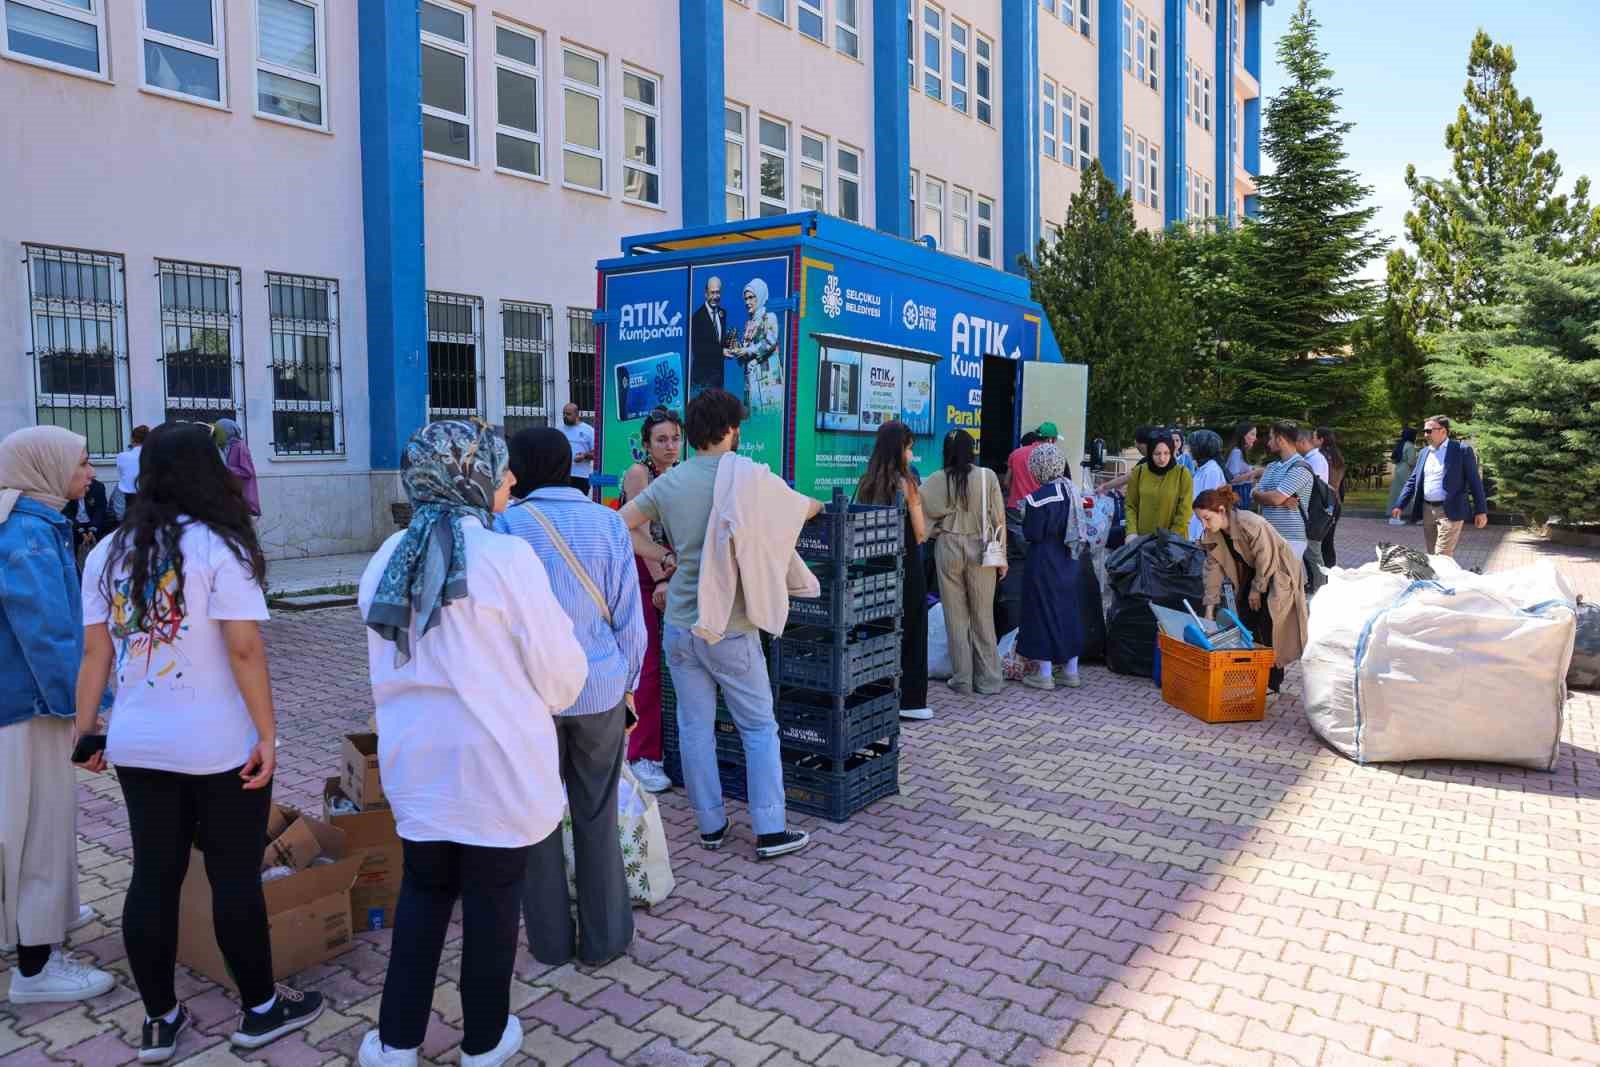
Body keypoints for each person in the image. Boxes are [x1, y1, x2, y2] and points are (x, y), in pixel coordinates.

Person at [76, 422, 322, 1061]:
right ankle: (261, 1010)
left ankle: (159, 1019)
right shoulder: (220, 548)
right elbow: (244, 649)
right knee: (232, 877)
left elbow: (95, 653)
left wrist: (88, 733)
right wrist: (268, 734)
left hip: (137, 743)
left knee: (152, 877)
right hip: (219, 746)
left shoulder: (106, 552)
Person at [357, 421, 587, 1067]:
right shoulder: (507, 559)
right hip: (498, 771)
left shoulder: (384, 559)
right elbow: (562, 675)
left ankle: (396, 1042)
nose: (510, 478)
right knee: (491, 906)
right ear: (471, 475)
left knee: (422, 897)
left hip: (418, 769)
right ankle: (484, 1043)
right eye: (501, 468)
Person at [620, 388, 818, 861]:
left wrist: (663, 555)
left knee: (693, 728)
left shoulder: (671, 481)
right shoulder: (750, 477)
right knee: (757, 727)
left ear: (690, 433)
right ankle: (770, 828)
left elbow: (621, 524)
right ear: (732, 429)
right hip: (729, 623)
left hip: (680, 626)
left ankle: (710, 825)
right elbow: (805, 508)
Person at [496, 427, 644, 969]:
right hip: (600, 689)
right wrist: (627, 685)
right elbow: (629, 616)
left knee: (536, 820)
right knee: (596, 814)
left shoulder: (505, 526)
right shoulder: (607, 521)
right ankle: (605, 940)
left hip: (532, 696)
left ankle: (550, 942)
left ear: (519, 468)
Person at [0, 427, 114, 1006]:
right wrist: (83, 714)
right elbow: (47, 635)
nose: (91, 474)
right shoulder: (28, 534)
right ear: (45, 468)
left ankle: (40, 921)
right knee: (40, 828)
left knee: (18, 827)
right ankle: (36, 968)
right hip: (32, 708)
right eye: (83, 462)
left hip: (16, 704)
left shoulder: (27, 522)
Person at [1193, 486, 1308, 699]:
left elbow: (1267, 558)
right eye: (1200, 520)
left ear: (1220, 511)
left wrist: (1257, 589)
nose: (1204, 525)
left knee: (1270, 624)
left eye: (1207, 519)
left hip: (1278, 571)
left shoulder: (1250, 522)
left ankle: (1272, 682)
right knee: (1245, 622)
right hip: (1253, 572)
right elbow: (1212, 570)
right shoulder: (1212, 533)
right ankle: (1250, 674)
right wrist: (1209, 607)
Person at [619, 409, 683, 793]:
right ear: (647, 444)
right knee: (649, 666)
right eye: (661, 439)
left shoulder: (681, 472)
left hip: (675, 570)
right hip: (648, 575)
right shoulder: (639, 473)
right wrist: (661, 579)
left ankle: (667, 749)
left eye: (675, 438)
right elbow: (637, 532)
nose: (670, 446)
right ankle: (642, 756)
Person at [854, 421, 932, 721]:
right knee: (911, 629)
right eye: (909, 447)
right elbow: (921, 532)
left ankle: (877, 693)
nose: (911, 453)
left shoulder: (867, 482)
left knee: (879, 629)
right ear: (900, 448)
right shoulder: (907, 482)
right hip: (906, 565)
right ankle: (910, 700)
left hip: (875, 565)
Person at [921, 430, 1007, 697]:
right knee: (983, 615)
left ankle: (962, 679)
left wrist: (939, 531)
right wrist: (1002, 556)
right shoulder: (987, 476)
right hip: (982, 547)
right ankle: (989, 680)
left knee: (955, 616)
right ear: (972, 450)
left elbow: (921, 518)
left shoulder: (936, 480)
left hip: (948, 547)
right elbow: (999, 519)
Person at [1016, 443, 1086, 692]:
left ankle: (1044, 674)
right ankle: (1071, 671)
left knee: (1041, 611)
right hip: (1070, 559)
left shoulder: (1037, 498)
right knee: (1069, 610)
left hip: (1044, 559)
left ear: (1038, 467)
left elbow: (1032, 533)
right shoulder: (1073, 491)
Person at [1391, 415, 1489, 558]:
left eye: (1429, 431)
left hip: (1450, 510)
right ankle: (1442, 580)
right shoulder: (1424, 452)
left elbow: (1475, 481)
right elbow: (1413, 480)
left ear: (1443, 431)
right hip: (1427, 510)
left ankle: (1443, 579)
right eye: (1424, 431)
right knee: (1432, 554)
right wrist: (1400, 504)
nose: (1426, 435)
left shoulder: (1461, 450)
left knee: (1442, 555)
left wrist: (1481, 510)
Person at [1247, 421, 1316, 562]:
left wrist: (1271, 497)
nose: (1268, 443)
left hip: (1291, 538)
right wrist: (1278, 499)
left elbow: (1275, 498)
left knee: (1285, 582)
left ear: (1280, 440)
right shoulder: (1272, 466)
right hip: (1267, 535)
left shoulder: (1300, 468)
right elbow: (1253, 493)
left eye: (1271, 438)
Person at [1124, 436, 1194, 538]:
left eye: (1166, 453)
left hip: (1173, 542)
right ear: (1150, 453)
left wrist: (1170, 537)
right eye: (1157, 454)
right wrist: (1131, 532)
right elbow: (1130, 505)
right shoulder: (1139, 472)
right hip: (1142, 539)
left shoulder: (1182, 474)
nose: (1162, 458)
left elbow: (1185, 510)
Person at [728, 279, 782, 411]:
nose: (747, 302)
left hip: (767, 380)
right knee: (754, 418)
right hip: (750, 381)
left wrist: (748, 351)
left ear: (761, 295)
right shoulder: (749, 323)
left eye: (751, 297)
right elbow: (746, 353)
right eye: (745, 299)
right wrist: (737, 351)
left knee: (769, 416)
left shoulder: (769, 317)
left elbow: (770, 342)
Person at [61, 473, 116, 569]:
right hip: (74, 524)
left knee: (104, 534)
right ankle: (72, 568)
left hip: (93, 522)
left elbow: (100, 511)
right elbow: (67, 513)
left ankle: (101, 568)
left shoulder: (98, 487)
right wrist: (81, 531)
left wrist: (92, 529)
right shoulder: (67, 487)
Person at [689, 276, 731, 395]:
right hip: (702, 381)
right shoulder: (697, 318)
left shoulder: (723, 314)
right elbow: (698, 350)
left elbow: (718, 343)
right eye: (712, 292)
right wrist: (721, 352)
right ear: (706, 294)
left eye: (718, 292)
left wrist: (730, 346)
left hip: (718, 379)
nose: (715, 296)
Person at [213, 418, 260, 518]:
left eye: (219, 430)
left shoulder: (240, 446)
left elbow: (247, 471)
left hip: (240, 497)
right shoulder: (222, 446)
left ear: (227, 430)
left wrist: (226, 468)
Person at [1186, 430, 1227, 542]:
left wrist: (1200, 536)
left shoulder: (1211, 471)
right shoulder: (1203, 469)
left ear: (1202, 448)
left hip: (1202, 534)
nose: (1190, 449)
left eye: (1193, 446)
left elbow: (1207, 506)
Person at [1313, 427, 1346, 568]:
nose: (1311, 440)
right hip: (1335, 502)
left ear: (1321, 440)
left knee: (1317, 543)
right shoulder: (1338, 457)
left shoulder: (1319, 457)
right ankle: (1330, 573)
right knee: (1328, 541)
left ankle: (1321, 577)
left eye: (1314, 437)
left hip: (1323, 503)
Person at [1006, 424, 1056, 508]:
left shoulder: (1015, 454)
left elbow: (1006, 482)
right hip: (1037, 507)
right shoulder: (1049, 456)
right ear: (1050, 440)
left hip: (1015, 507)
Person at [560, 403, 597, 495]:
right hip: (562, 476)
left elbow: (597, 453)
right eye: (564, 414)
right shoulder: (559, 430)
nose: (565, 416)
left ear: (577, 415)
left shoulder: (588, 430)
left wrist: (584, 456)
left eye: (568, 414)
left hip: (581, 476)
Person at [1386, 427, 1419, 525]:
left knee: (1396, 494)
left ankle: (1395, 516)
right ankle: (1415, 516)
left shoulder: (1400, 444)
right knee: (1409, 493)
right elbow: (1411, 461)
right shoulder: (1410, 446)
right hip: (1407, 470)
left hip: (1398, 469)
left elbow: (1393, 459)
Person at [115, 424, 148, 518]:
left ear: (132, 439)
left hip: (129, 498)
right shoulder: (153, 455)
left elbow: (122, 476)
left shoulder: (122, 456)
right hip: (148, 497)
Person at [1226, 421, 1258, 509]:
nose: (1255, 438)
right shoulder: (1236, 452)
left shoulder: (1241, 452)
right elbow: (1233, 479)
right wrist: (1255, 473)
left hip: (1244, 493)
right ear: (1243, 435)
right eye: (1252, 434)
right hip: (1239, 494)